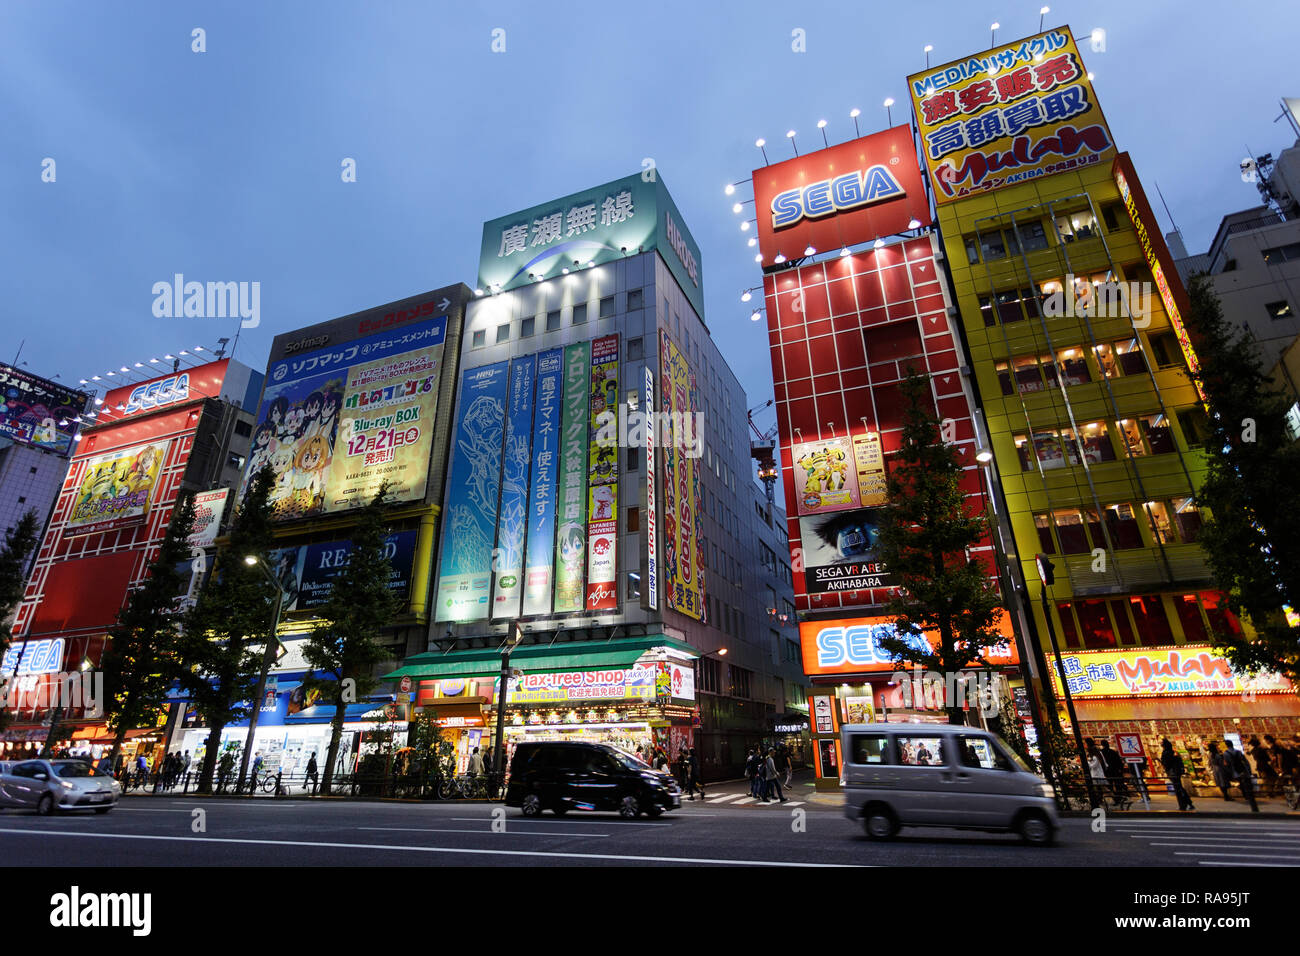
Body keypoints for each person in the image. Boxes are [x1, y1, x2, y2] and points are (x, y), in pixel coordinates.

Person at [1223, 740, 1259, 812]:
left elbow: (1227, 764)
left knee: (1241, 782)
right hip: (1242, 769)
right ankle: (1247, 795)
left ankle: (1246, 795)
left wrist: (1228, 772)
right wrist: (1248, 769)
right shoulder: (1238, 751)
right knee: (1244, 782)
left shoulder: (1226, 753)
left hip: (1234, 771)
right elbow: (1244, 761)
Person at [1160, 738, 1195, 811]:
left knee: (1178, 789)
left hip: (1172, 772)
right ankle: (1188, 803)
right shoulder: (1173, 752)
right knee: (1180, 788)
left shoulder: (1166, 753)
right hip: (1176, 772)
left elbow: (1166, 763)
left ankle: (1183, 805)